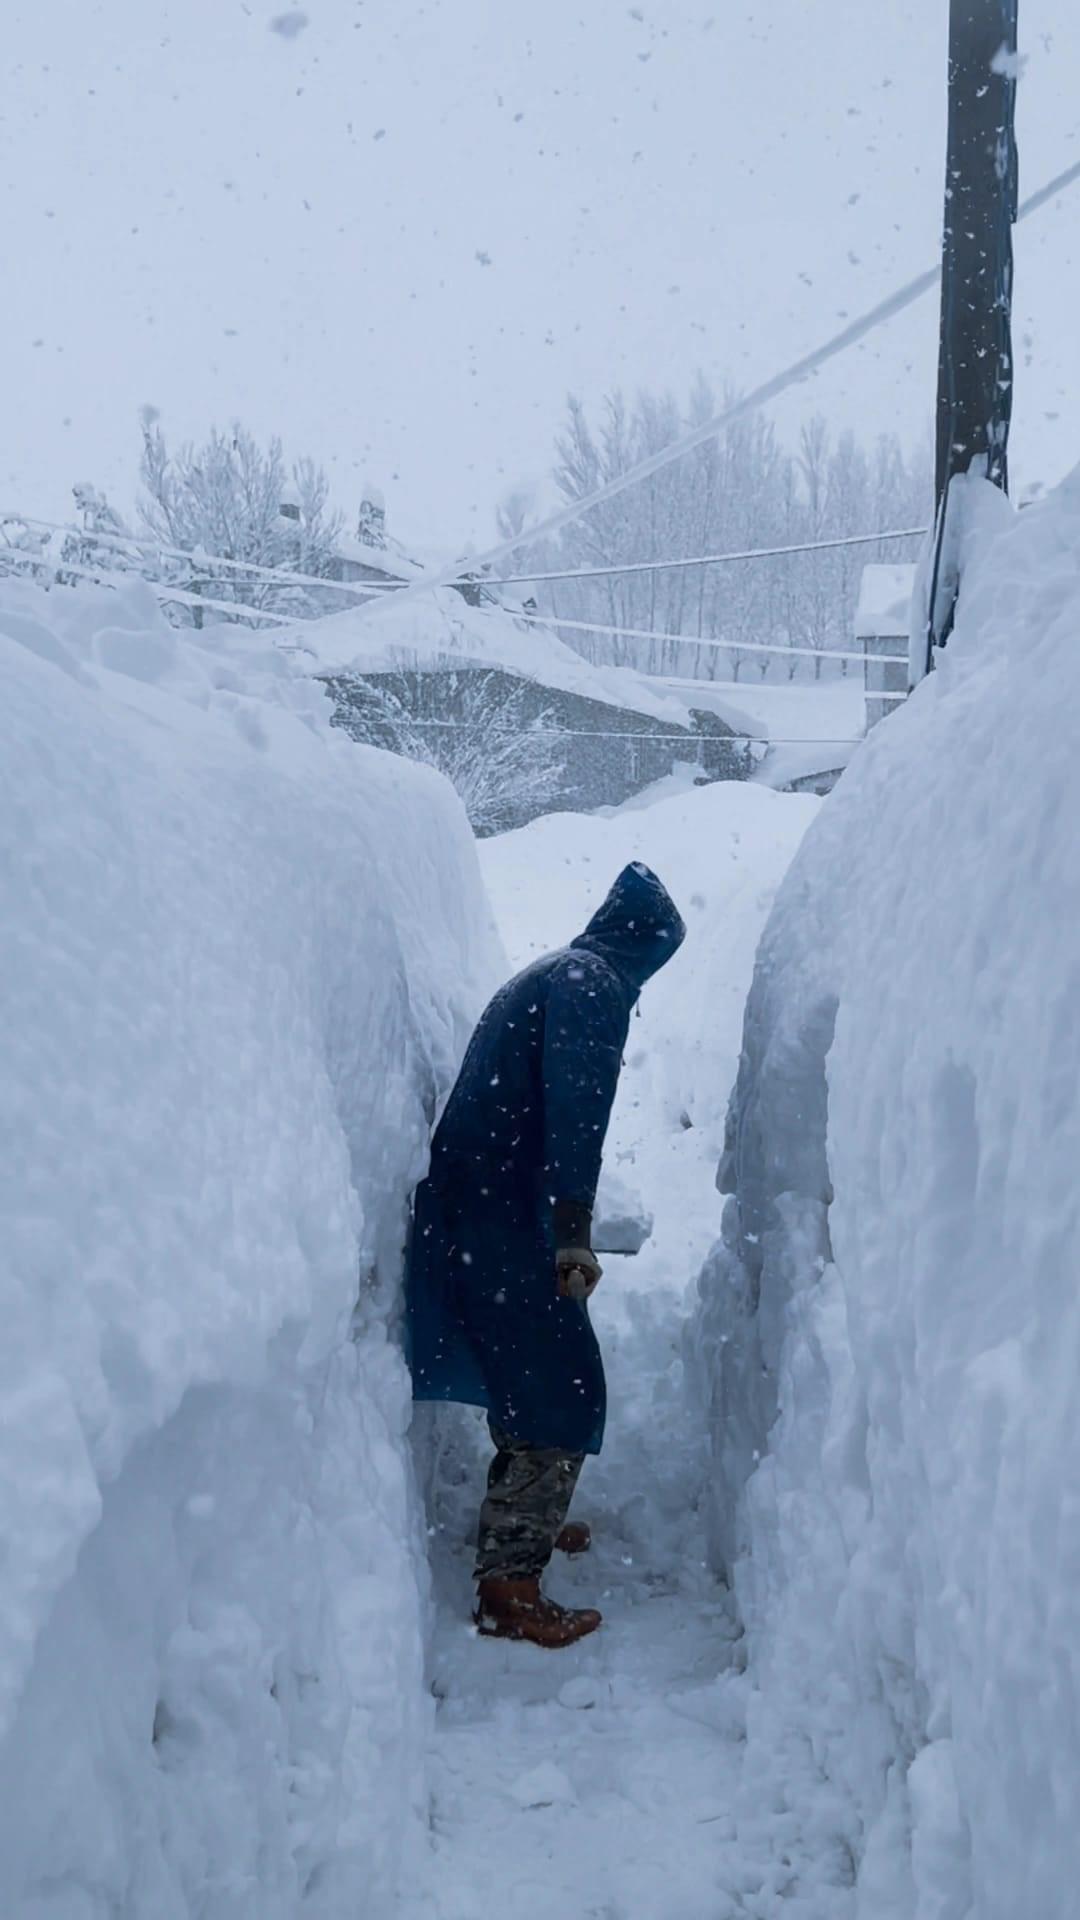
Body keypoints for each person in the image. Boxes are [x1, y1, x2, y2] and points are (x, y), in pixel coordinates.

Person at [407, 861, 686, 1648]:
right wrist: (573, 1228)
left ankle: (521, 1521)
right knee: (564, 1386)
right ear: (645, 944)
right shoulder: (591, 984)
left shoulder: (554, 971)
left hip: (480, 1203)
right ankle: (509, 1587)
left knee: (528, 1367)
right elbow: (577, 1113)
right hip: (504, 1213)